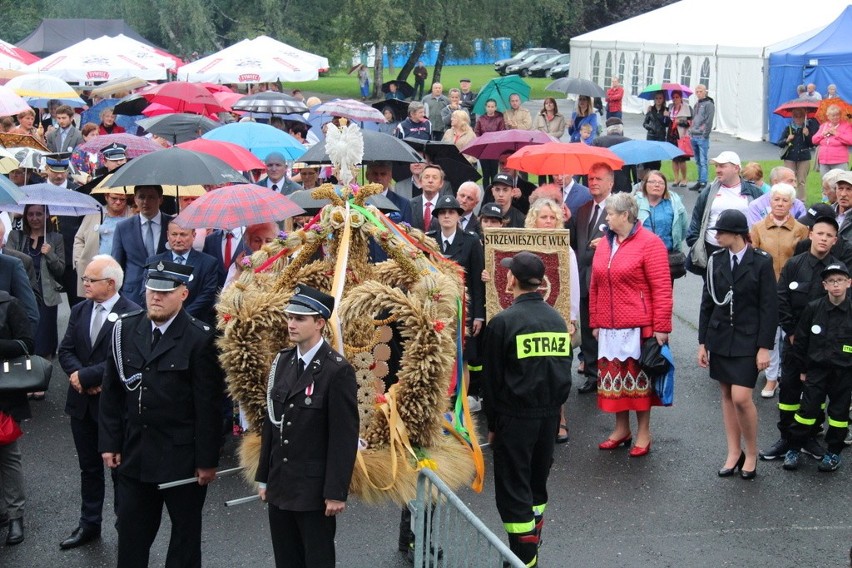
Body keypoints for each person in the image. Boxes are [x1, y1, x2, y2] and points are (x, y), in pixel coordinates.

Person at [99, 261, 225, 568]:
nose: (156, 297)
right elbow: (112, 392)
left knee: (184, 540)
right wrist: (110, 443)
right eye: (152, 291)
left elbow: (210, 407)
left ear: (183, 294)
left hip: (180, 457)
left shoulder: (201, 338)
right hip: (136, 453)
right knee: (130, 535)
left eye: (165, 292)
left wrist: (207, 461)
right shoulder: (126, 329)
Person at [256, 284, 359, 568]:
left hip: (313, 490)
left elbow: (343, 437)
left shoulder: (337, 370)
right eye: (290, 317)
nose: (291, 324)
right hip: (281, 484)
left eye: (300, 318)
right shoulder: (282, 362)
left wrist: (336, 491)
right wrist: (264, 476)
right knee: (286, 561)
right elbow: (272, 425)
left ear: (319, 323)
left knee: (317, 560)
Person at [482, 251, 572, 567]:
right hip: (548, 417)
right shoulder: (556, 320)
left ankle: (524, 559)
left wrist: (493, 425)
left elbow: (491, 383)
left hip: (514, 419)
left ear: (512, 280)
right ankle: (532, 546)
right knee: (536, 486)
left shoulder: (503, 322)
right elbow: (564, 371)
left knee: (512, 491)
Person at [57, 255, 140, 550]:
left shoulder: (132, 314)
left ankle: (125, 524)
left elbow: (128, 359)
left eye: (90, 279)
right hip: (82, 404)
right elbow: (65, 350)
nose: (84, 283)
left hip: (115, 408)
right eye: (84, 278)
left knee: (120, 469)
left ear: (110, 283)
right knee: (88, 468)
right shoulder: (80, 310)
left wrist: (89, 376)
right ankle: (89, 523)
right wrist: (78, 377)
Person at [590, 192, 672, 456]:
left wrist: (661, 326)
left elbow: (661, 287)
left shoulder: (650, 243)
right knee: (615, 382)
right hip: (610, 327)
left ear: (625, 215)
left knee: (639, 383)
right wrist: (595, 320)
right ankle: (621, 429)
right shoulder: (605, 243)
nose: (606, 217)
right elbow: (595, 285)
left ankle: (644, 433)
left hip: (638, 327)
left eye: (610, 213)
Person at [698, 210, 777, 480]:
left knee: (742, 397)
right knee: (726, 396)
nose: (717, 236)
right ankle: (734, 451)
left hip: (748, 339)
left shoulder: (761, 262)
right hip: (720, 338)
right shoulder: (716, 260)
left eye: (721, 232)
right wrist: (702, 342)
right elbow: (707, 303)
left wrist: (764, 346)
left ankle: (751, 451)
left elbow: (769, 307)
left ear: (736, 234)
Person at [760, 215, 841, 462]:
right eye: (820, 233)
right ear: (811, 234)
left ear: (835, 240)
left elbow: (839, 308)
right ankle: (787, 438)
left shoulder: (836, 270)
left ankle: (810, 438)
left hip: (822, 349)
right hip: (794, 343)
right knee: (790, 393)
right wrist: (792, 333)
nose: (824, 239)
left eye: (829, 235)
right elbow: (781, 299)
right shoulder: (794, 265)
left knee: (817, 395)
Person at [783, 262, 852, 472]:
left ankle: (833, 452)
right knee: (807, 411)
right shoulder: (814, 308)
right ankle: (794, 447)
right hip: (816, 371)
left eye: (840, 280)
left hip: (844, 373)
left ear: (849, 283)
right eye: (831, 281)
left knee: (839, 415)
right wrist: (803, 369)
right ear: (824, 285)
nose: (836, 285)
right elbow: (801, 342)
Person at [524, 196, 580, 442]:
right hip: (527, 318)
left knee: (556, 369)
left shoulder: (565, 250)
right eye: (543, 217)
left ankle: (561, 417)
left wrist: (572, 317)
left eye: (551, 217)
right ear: (533, 220)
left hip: (556, 318)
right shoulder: (521, 247)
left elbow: (574, 286)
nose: (547, 221)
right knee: (529, 369)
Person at [750, 183, 809, 398]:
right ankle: (771, 376)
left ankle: (789, 373)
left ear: (792, 204)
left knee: (791, 333)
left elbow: (804, 260)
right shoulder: (757, 227)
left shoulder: (801, 230)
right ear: (770, 201)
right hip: (766, 290)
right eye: (776, 199)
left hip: (793, 290)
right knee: (771, 334)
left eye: (785, 200)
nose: (780, 204)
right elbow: (752, 258)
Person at [571, 163, 615, 393]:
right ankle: (592, 374)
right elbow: (575, 242)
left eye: (598, 179)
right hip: (583, 279)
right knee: (587, 330)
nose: (593, 183)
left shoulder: (619, 209)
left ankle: (610, 374)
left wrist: (609, 243)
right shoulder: (584, 209)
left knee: (606, 330)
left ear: (611, 182)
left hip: (607, 281)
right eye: (590, 179)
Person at [685, 151, 762, 276]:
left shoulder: (754, 192)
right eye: (716, 166)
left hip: (743, 252)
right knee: (712, 292)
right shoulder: (708, 192)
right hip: (713, 250)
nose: (717, 170)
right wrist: (696, 244)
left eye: (722, 166)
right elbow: (696, 221)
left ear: (736, 168)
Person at [6, 205, 64, 362]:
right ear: (25, 216)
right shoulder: (15, 236)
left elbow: (60, 270)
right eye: (30, 214)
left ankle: (41, 375)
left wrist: (50, 254)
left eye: (39, 214)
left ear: (46, 215)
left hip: (46, 296)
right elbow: (7, 260)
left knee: (44, 338)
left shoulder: (55, 238)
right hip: (21, 292)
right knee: (21, 333)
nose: (34, 218)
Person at [0, 288, 35, 546]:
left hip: (3, 395)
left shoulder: (8, 304)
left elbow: (27, 344)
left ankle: (15, 517)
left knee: (7, 456)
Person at [146, 221, 219, 325]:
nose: (178, 239)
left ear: (194, 235)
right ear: (167, 235)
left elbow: (207, 295)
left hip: (194, 324)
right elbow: (145, 291)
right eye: (174, 234)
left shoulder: (208, 263)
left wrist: (180, 316)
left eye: (183, 234)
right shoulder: (154, 262)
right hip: (161, 321)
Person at [111, 185, 174, 306]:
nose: (145, 202)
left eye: (151, 197)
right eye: (141, 197)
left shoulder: (172, 224)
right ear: (135, 199)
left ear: (160, 199)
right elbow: (116, 264)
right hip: (132, 293)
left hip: (165, 289)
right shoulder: (123, 227)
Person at [74, 192, 133, 299]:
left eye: (122, 199)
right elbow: (79, 239)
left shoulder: (133, 214)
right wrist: (79, 261)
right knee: (96, 303)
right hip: (96, 270)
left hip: (124, 270)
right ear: (106, 197)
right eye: (114, 198)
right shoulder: (94, 213)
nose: (118, 202)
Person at [635, 170, 688, 280]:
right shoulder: (635, 202)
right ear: (645, 184)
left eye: (661, 182)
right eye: (653, 182)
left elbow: (683, 228)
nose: (657, 185)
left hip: (666, 258)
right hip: (640, 257)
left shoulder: (674, 203)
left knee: (663, 293)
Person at [777, 108, 818, 200]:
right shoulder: (788, 128)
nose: (798, 118)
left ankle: (801, 201)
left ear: (804, 117)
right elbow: (779, 143)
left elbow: (812, 144)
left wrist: (807, 135)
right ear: (793, 117)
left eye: (800, 116)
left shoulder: (808, 128)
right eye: (796, 116)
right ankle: (789, 199)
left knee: (801, 181)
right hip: (790, 158)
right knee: (789, 179)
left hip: (804, 158)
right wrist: (787, 140)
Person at [812, 104, 852, 175]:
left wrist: (836, 134)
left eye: (837, 115)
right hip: (824, 161)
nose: (836, 117)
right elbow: (814, 140)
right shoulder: (824, 126)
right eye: (833, 115)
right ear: (828, 117)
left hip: (839, 161)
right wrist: (823, 134)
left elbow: (850, 140)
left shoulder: (846, 126)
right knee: (826, 183)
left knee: (839, 182)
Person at [688, 85, 715, 191]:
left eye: (701, 91)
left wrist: (705, 134)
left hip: (702, 136)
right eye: (697, 91)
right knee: (698, 160)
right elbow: (694, 119)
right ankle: (699, 181)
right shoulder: (696, 104)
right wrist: (690, 131)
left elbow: (709, 121)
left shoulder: (709, 104)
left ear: (705, 92)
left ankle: (704, 182)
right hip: (694, 135)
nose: (698, 93)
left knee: (703, 160)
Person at [474, 99, 506, 188]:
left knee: (494, 173)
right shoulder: (481, 119)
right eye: (488, 106)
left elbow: (502, 132)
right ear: (486, 107)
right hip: (484, 149)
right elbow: (476, 132)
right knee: (486, 174)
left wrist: (494, 140)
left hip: (495, 149)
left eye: (492, 107)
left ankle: (494, 192)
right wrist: (481, 140)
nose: (490, 108)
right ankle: (486, 194)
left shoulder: (500, 119)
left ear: (495, 107)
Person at [409, 164, 449, 232]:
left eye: (435, 177)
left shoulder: (447, 205)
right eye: (426, 177)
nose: (430, 180)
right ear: (420, 182)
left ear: (441, 183)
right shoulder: (410, 204)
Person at [666, 90, 692, 187]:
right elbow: (667, 121)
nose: (675, 99)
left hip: (680, 134)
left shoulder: (686, 107)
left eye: (677, 97)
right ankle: (676, 178)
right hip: (671, 134)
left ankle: (684, 178)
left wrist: (679, 122)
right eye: (674, 97)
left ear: (681, 98)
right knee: (674, 158)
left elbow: (689, 123)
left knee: (682, 159)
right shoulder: (670, 108)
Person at [642, 91, 670, 171]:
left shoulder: (666, 110)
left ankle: (656, 173)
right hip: (651, 136)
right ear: (654, 99)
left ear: (663, 99)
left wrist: (666, 117)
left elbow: (667, 124)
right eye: (656, 98)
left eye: (660, 98)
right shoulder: (651, 109)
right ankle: (649, 172)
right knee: (650, 156)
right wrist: (650, 128)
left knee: (658, 157)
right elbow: (644, 123)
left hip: (660, 136)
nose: (658, 100)